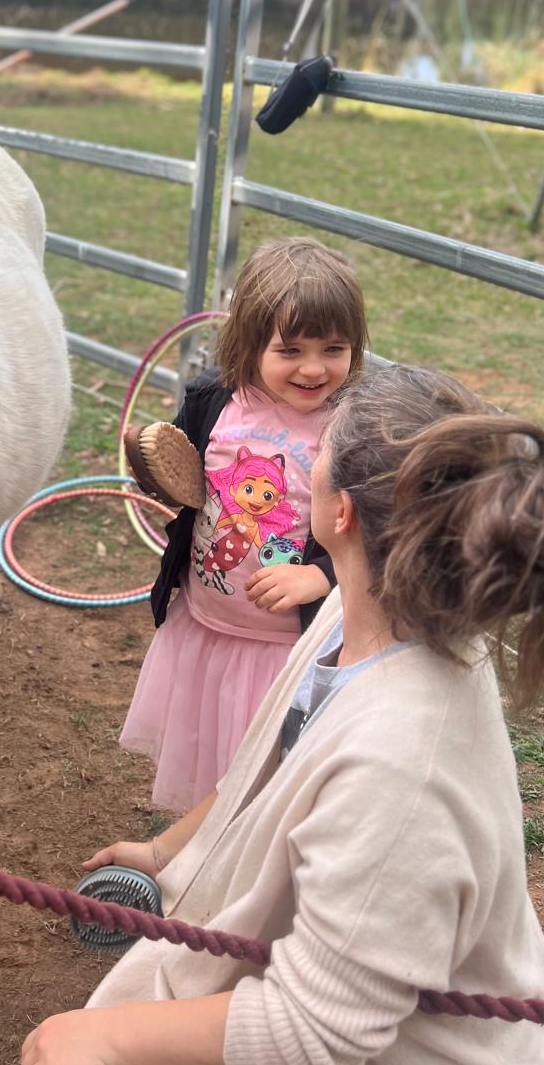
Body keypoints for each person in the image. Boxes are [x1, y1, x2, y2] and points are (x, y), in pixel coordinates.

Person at [15, 364, 544, 1065]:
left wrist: (101, 1035)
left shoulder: (401, 769)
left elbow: (317, 1029)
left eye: (321, 446)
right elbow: (269, 771)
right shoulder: (357, 611)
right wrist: (166, 851)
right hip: (347, 1018)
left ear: (338, 512)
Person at [120, 237, 368, 809]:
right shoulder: (213, 401)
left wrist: (323, 577)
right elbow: (187, 480)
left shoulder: (353, 430)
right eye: (291, 350)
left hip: (284, 647)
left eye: (334, 348)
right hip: (207, 623)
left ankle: (245, 855)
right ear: (251, 342)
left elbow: (380, 526)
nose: (314, 368)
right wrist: (158, 476)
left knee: (271, 776)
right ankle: (203, 843)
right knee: (211, 753)